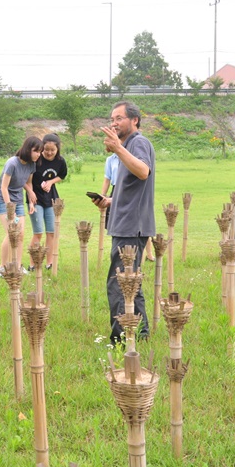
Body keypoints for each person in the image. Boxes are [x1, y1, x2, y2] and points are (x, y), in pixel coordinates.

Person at [93, 101, 155, 344]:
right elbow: (132, 186)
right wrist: (110, 201)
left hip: (132, 226)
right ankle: (140, 333)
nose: (114, 122)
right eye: (112, 118)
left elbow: (143, 171)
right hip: (126, 222)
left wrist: (118, 148)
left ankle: (120, 338)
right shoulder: (128, 146)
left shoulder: (138, 142)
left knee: (119, 283)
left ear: (135, 120)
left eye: (119, 118)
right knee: (131, 284)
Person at [0, 136, 42, 276]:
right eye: (36, 151)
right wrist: (10, 209)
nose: (38, 154)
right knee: (11, 234)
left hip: (19, 201)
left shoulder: (31, 164)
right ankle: (2, 267)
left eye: (40, 151)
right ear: (28, 149)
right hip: (4, 201)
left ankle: (17, 266)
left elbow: (27, 182)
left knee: (20, 234)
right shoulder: (12, 163)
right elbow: (4, 188)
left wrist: (31, 197)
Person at [102, 152, 155, 261]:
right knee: (117, 223)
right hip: (116, 189)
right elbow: (107, 179)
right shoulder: (110, 159)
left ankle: (148, 253)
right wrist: (102, 196)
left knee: (139, 223)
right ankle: (121, 252)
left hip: (130, 188)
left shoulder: (129, 156)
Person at [28, 133, 67, 271]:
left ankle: (49, 263)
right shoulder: (36, 160)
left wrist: (50, 182)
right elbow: (28, 182)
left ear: (57, 149)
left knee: (51, 232)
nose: (49, 152)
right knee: (38, 233)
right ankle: (33, 264)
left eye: (53, 150)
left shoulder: (60, 161)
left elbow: (62, 175)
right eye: (46, 149)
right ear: (42, 148)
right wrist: (30, 200)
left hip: (51, 199)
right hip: (35, 199)